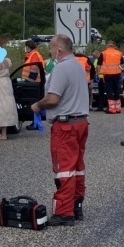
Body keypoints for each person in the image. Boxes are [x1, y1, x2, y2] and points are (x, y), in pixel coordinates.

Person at [30, 34, 88, 225]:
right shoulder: (77, 66)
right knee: (77, 167)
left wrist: (38, 105)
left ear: (59, 50)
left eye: (51, 49)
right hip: (80, 121)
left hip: (65, 126)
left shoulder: (61, 68)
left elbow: (53, 98)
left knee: (64, 169)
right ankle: (76, 205)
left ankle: (64, 212)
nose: (50, 52)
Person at [97, 39, 124, 111]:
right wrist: (121, 72)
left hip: (107, 75)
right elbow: (122, 65)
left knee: (109, 91)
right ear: (114, 46)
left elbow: (99, 65)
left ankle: (111, 109)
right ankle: (118, 108)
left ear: (107, 46)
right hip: (117, 74)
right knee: (116, 91)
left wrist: (99, 73)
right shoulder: (119, 53)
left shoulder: (104, 53)